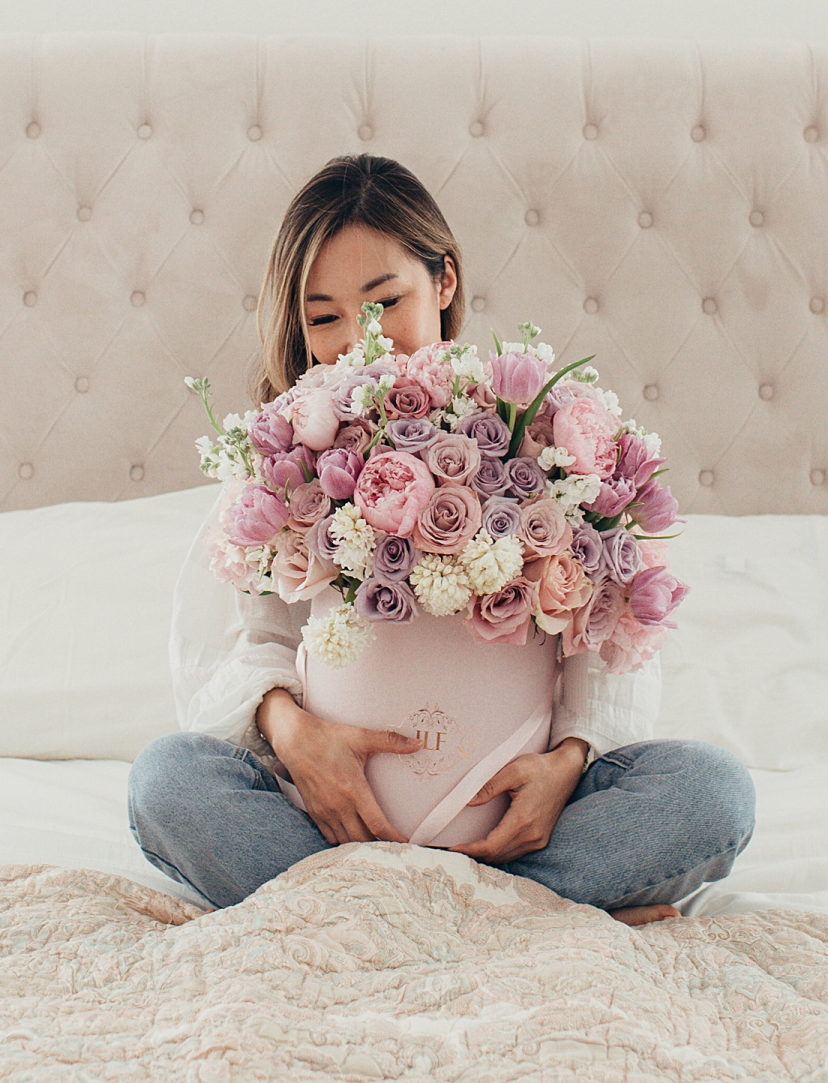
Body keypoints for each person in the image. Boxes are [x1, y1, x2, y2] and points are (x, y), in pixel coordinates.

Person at [128, 153, 755, 923]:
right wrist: (295, 738)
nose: (363, 338)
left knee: (712, 792)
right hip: (334, 828)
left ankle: (378, 917)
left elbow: (600, 631)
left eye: (386, 301)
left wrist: (567, 763)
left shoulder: (538, 438)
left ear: (445, 282)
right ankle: (518, 918)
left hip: (518, 830)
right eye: (323, 317)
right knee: (167, 782)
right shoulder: (282, 464)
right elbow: (240, 644)